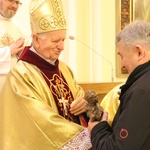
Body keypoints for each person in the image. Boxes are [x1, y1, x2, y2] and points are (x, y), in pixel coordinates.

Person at [0, 0, 92, 149]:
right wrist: (82, 137)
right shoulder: (22, 75)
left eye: (63, 39)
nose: (61, 47)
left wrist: (84, 105)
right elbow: (39, 120)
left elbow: (78, 95)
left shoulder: (64, 69)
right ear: (36, 39)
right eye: (56, 41)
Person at [88, 20, 150, 150]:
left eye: (121, 56)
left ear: (139, 52)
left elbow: (118, 148)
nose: (122, 64)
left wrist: (97, 129)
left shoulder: (142, 91)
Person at [0, 0, 29, 91]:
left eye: (17, 3)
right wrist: (8, 51)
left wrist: (23, 55)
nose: (14, 6)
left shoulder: (20, 29)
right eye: (11, 1)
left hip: (15, 88)